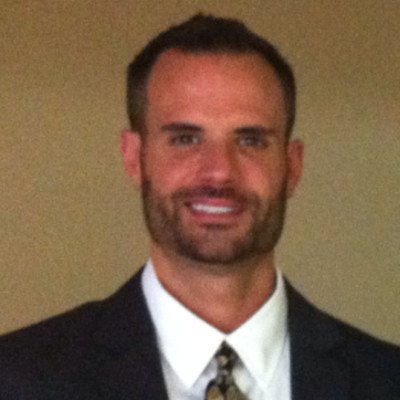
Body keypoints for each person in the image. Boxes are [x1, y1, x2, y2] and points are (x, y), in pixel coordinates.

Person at [0, 14, 399, 400]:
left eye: (250, 140)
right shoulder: (16, 379)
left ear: (292, 166)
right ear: (134, 158)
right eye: (186, 139)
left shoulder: (388, 381)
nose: (219, 172)